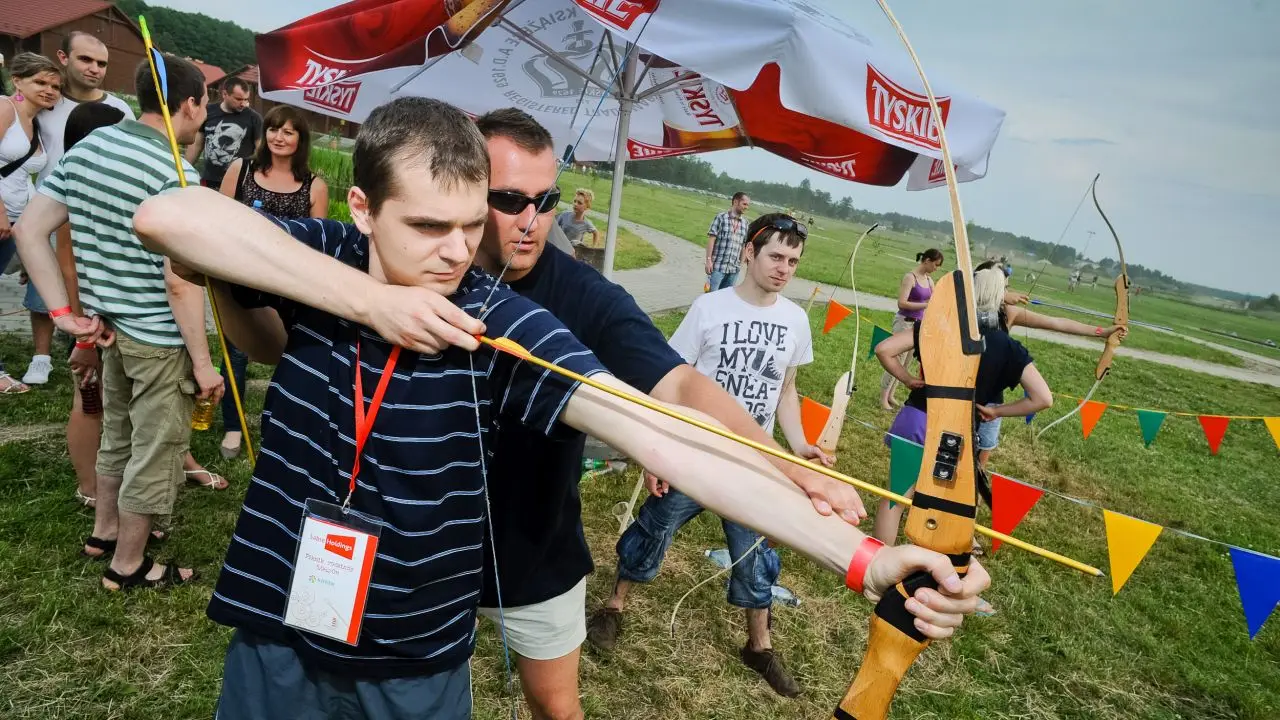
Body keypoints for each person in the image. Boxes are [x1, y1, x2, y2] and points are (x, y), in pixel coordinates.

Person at [131, 97, 989, 720]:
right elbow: (171, 215)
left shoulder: (495, 320)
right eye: (429, 226)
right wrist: (369, 303)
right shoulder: (326, 253)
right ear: (362, 208)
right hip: (280, 624)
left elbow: (661, 431)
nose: (458, 252)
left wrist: (863, 557)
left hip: (413, 654)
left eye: (472, 226)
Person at [468, 109, 862, 720]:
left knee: (557, 709)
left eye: (545, 201)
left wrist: (791, 467)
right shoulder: (425, 267)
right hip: (426, 541)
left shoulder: (583, 292)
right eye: (508, 199)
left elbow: (680, 383)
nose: (530, 220)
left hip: (534, 547)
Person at [590, 212, 825, 698]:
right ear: (748, 253)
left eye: (794, 261)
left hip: (752, 463)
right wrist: (657, 453)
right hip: (694, 452)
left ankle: (758, 646)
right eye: (776, 256)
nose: (784, 268)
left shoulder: (795, 320)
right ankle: (614, 607)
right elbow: (669, 384)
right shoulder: (709, 308)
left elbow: (787, 391)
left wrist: (799, 447)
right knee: (652, 531)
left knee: (757, 553)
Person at [13, 55, 222, 589]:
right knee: (155, 448)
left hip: (109, 328)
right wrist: (203, 364)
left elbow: (30, 231)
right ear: (191, 103)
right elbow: (180, 282)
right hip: (156, 336)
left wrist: (65, 316)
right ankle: (129, 564)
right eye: (204, 105)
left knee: (117, 435)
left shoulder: (91, 146)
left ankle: (103, 531)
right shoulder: (178, 174)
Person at [872, 266, 1053, 548]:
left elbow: (884, 349)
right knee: (943, 502)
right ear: (998, 298)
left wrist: (907, 379)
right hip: (959, 433)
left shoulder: (938, 326)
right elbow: (1043, 398)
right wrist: (996, 411)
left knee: (896, 495)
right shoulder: (1007, 346)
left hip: (919, 418)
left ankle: (879, 560)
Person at [215, 104, 329, 459]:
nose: (279, 137)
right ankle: (234, 426)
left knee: (292, 356)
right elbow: (216, 221)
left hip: (288, 285)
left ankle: (279, 423)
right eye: (274, 129)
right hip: (240, 276)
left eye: (289, 131)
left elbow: (317, 242)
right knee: (235, 352)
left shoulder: (314, 185)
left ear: (301, 139)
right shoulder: (242, 169)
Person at [57, 100, 128, 505]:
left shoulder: (104, 182)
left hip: (113, 312)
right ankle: (89, 487)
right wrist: (83, 330)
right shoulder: (75, 183)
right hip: (89, 318)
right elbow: (68, 264)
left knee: (114, 403)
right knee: (88, 401)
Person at [0, 53, 62, 394]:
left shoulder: (36, 123)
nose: (50, 90)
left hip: (15, 221)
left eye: (55, 85)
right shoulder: (5, 108)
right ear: (17, 80)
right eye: (41, 82)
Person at [879, 249, 943, 410]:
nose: (937, 269)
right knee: (896, 359)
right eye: (936, 265)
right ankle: (883, 398)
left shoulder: (929, 280)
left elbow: (935, 299)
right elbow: (902, 303)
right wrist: (925, 305)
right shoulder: (910, 277)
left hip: (918, 326)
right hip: (904, 322)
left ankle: (892, 394)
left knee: (906, 363)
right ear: (927, 260)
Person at [186, 75, 262, 190]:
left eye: (246, 99)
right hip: (209, 180)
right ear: (225, 94)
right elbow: (196, 145)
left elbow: (260, 151)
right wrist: (183, 170)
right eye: (238, 99)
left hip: (238, 183)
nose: (244, 104)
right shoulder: (208, 112)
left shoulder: (254, 118)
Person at [705, 191, 750, 291]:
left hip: (733, 270)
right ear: (735, 202)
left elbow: (744, 245)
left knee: (725, 299)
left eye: (748, 205)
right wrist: (708, 261)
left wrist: (740, 264)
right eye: (744, 204)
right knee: (711, 298)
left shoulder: (745, 223)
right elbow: (711, 239)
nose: (747, 207)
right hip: (717, 267)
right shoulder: (721, 218)